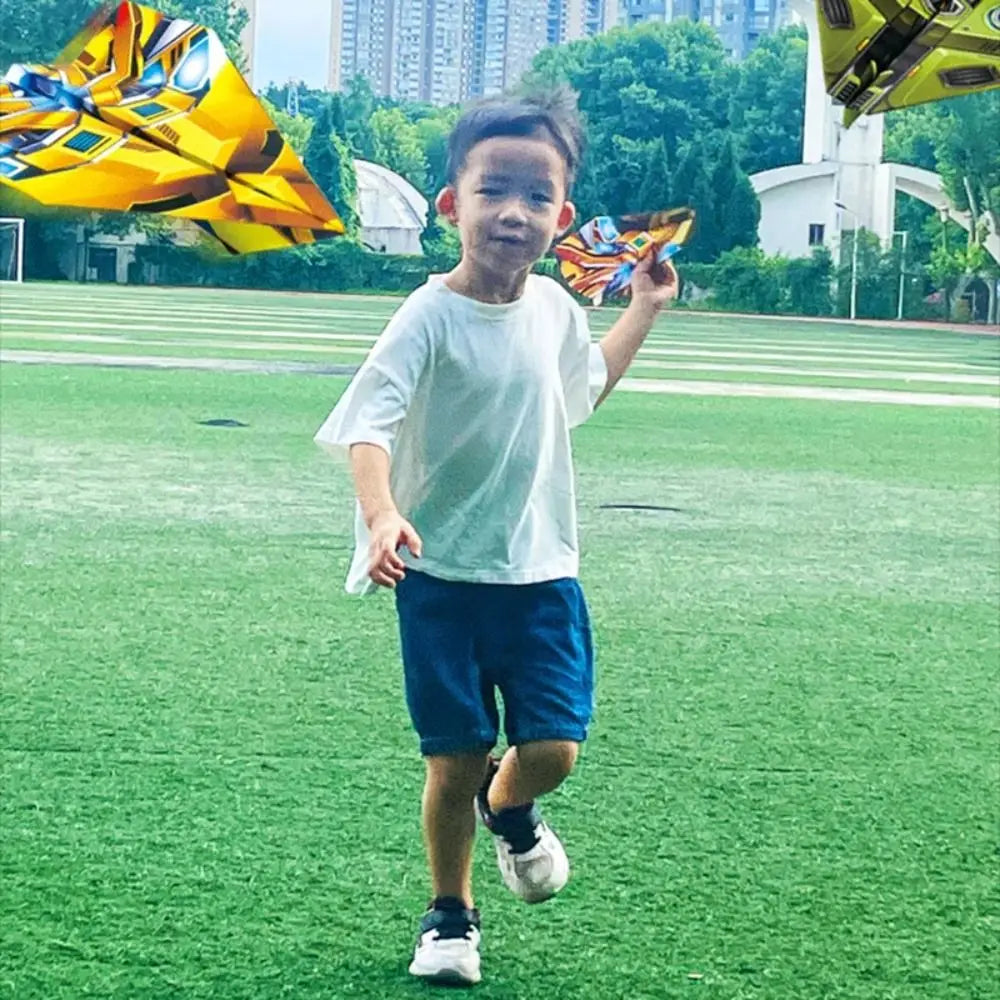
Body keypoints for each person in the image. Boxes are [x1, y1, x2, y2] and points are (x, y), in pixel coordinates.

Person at [314, 88, 677, 986]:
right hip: (439, 574)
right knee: (454, 757)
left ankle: (509, 810)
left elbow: (581, 391)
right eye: (493, 190)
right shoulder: (428, 314)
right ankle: (451, 916)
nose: (514, 211)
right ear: (453, 204)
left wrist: (644, 308)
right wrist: (382, 514)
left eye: (536, 195)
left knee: (552, 748)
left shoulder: (555, 308)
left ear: (562, 216)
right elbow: (368, 425)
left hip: (541, 570)